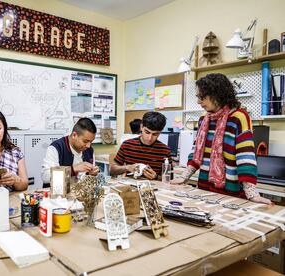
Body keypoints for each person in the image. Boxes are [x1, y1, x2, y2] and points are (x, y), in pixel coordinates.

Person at [171, 73, 271, 205]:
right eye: (198, 97)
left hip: (231, 191)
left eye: (202, 97)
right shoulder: (204, 120)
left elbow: (245, 157)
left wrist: (251, 193)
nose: (198, 102)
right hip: (205, 189)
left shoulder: (238, 117)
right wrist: (184, 177)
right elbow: (196, 153)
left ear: (217, 94)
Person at [110, 112, 171, 179]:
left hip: (154, 187)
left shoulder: (165, 151)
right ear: (141, 127)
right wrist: (127, 168)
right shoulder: (127, 145)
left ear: (160, 132)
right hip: (130, 186)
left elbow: (170, 178)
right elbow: (112, 171)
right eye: (147, 132)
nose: (149, 138)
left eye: (155, 134)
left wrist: (156, 177)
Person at [41, 118, 99, 184]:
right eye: (85, 141)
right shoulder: (57, 147)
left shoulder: (89, 150)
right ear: (74, 135)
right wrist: (73, 169)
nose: (88, 145)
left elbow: (90, 180)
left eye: (91, 142)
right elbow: (45, 177)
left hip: (79, 192)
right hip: (59, 193)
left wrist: (92, 174)